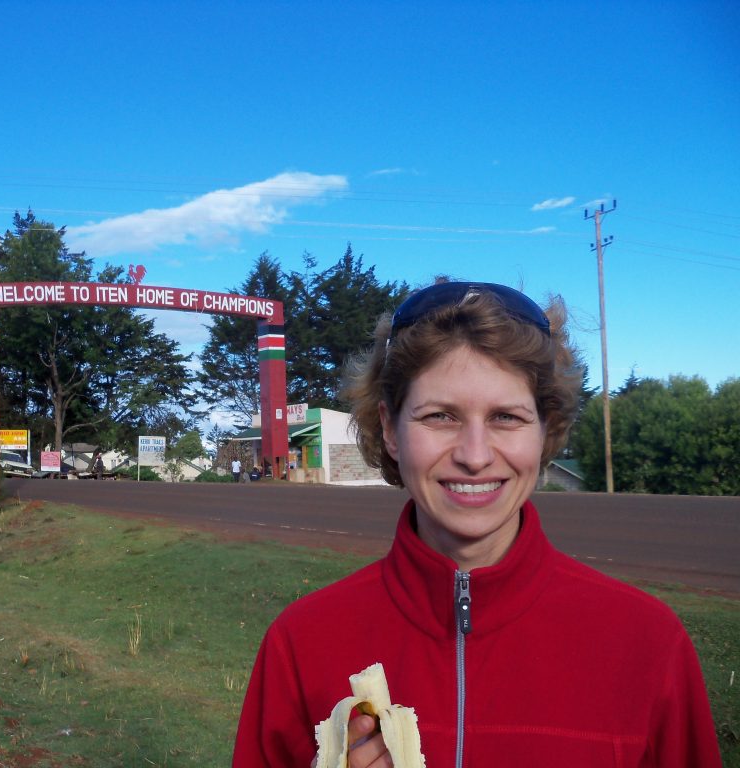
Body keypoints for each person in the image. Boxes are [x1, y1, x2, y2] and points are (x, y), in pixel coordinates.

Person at [232, 281, 721, 767]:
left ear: (546, 429)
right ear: (390, 428)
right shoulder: (299, 645)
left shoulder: (649, 644)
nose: (474, 455)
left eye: (506, 417)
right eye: (440, 416)